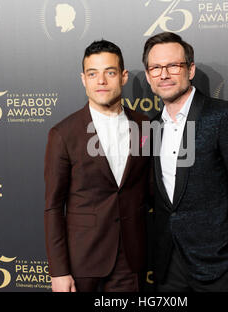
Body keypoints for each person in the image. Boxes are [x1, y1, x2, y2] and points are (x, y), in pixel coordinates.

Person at [143, 32, 228, 292]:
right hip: (168, 266)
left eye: (173, 65)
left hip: (220, 266)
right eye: (155, 68)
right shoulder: (152, 127)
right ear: (148, 76)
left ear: (190, 69)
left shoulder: (223, 116)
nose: (164, 74)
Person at [44, 40, 150, 292]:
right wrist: (59, 271)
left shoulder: (144, 125)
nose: (101, 81)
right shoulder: (63, 133)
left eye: (110, 72)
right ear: (84, 79)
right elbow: (53, 207)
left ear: (123, 76)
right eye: (93, 73)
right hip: (82, 261)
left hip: (130, 260)